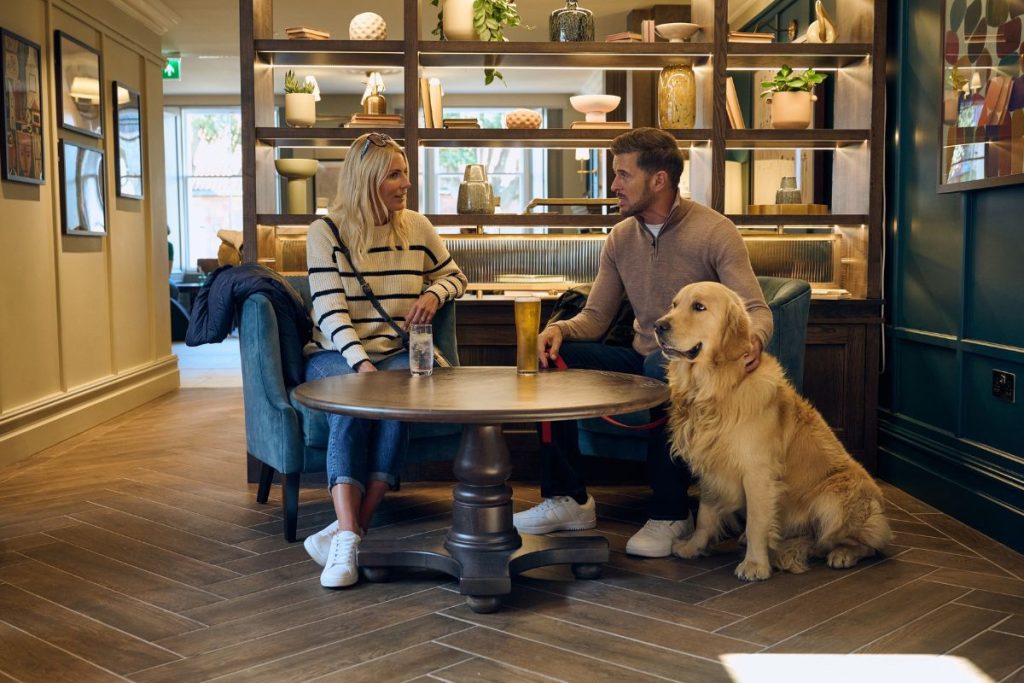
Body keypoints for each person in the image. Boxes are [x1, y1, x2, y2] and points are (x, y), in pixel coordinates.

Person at [512, 127, 773, 558]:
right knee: (551, 361)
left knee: (662, 370)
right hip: (639, 357)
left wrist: (755, 340)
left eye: (622, 175)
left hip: (690, 367)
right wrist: (559, 332)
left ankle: (672, 513)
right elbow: (595, 318)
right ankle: (569, 500)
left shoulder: (715, 232)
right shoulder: (620, 237)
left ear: (658, 180)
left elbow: (755, 310)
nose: (613, 185)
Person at [301, 132, 468, 587]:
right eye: (395, 174)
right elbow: (330, 312)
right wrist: (362, 368)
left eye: (406, 173)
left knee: (397, 407)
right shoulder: (325, 232)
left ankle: (351, 534)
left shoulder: (416, 226)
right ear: (368, 180)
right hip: (336, 353)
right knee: (351, 408)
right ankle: (350, 532)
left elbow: (455, 276)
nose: (405, 184)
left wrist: (434, 294)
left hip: (397, 351)